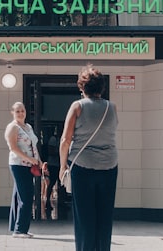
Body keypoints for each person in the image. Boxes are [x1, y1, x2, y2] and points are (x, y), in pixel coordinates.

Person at [59, 65, 118, 251]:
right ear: (102, 88)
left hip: (83, 166)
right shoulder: (112, 107)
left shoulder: (77, 106)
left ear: (82, 87)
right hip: (109, 165)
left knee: (85, 217)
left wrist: (63, 167)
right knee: (104, 216)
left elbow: (65, 140)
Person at [5, 101, 42, 238]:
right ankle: (20, 230)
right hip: (18, 164)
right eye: (17, 111)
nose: (20, 113)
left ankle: (17, 227)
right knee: (26, 196)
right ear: (12, 113)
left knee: (19, 195)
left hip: (29, 165)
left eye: (22, 110)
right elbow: (13, 148)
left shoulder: (28, 127)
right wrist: (30, 159)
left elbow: (33, 146)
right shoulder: (12, 127)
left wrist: (38, 161)